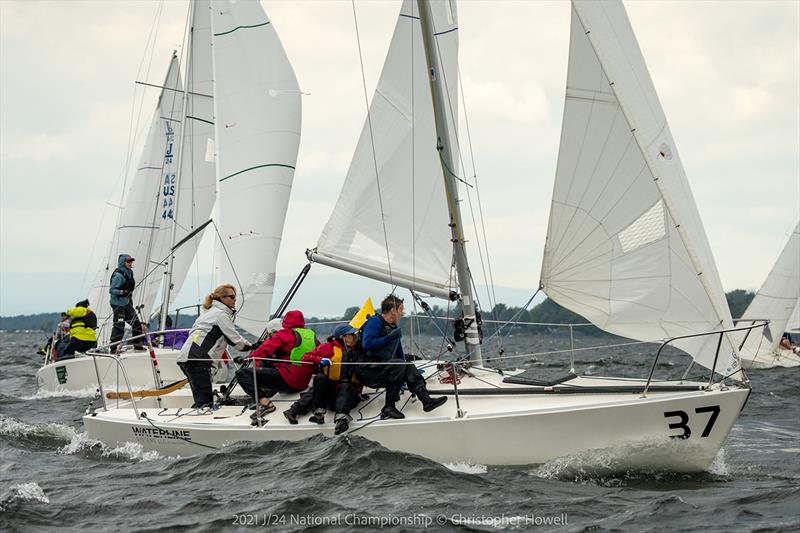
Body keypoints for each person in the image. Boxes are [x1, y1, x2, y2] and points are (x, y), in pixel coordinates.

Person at [356, 294, 447, 419]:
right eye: (401, 310)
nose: (402, 313)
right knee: (399, 364)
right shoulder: (374, 322)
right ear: (393, 310)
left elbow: (399, 355)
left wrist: (406, 375)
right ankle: (389, 406)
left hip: (385, 368)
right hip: (368, 369)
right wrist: (389, 337)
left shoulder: (395, 328)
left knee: (407, 365)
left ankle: (426, 400)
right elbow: (367, 344)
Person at [177, 284, 253, 408]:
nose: (235, 300)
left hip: (189, 358)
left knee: (201, 398)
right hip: (197, 359)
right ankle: (197, 424)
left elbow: (230, 337)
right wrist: (254, 346)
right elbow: (235, 341)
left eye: (235, 297)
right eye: (231, 297)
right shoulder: (221, 315)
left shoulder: (211, 312)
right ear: (221, 298)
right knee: (205, 402)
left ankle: (194, 419)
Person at [237, 310, 323, 418]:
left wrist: (246, 358)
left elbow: (264, 350)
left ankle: (265, 403)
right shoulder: (311, 335)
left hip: (287, 380)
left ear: (286, 321)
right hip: (303, 383)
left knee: (242, 373)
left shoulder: (284, 333)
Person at [283, 324, 363, 434]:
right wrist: (320, 359)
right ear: (342, 337)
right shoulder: (328, 348)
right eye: (351, 334)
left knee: (344, 386)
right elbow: (306, 357)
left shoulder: (358, 350)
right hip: (330, 397)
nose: (354, 337)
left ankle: (342, 420)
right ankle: (304, 412)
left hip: (349, 395)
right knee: (320, 379)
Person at [109, 254, 145, 352]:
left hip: (126, 303)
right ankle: (113, 348)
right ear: (123, 262)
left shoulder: (130, 273)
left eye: (131, 261)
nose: (130, 263)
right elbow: (112, 290)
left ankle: (137, 345)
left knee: (136, 323)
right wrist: (122, 292)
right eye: (128, 261)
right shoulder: (118, 275)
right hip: (117, 305)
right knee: (119, 326)